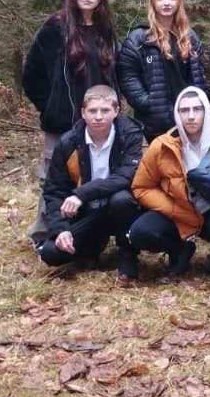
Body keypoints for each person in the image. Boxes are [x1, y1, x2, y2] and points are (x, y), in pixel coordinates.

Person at [22, 0, 120, 245]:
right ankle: (43, 232)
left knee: (91, 174)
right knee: (52, 177)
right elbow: (31, 74)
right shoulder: (56, 27)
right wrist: (50, 106)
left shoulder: (105, 30)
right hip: (62, 119)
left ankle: (85, 234)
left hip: (97, 118)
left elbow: (113, 73)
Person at [128, 88, 210, 277]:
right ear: (177, 114)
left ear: (206, 112)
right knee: (141, 232)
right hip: (178, 213)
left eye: (197, 109)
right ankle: (179, 249)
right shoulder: (162, 146)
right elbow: (142, 187)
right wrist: (174, 209)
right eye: (184, 110)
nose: (191, 116)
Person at [37, 85, 144, 280]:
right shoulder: (68, 142)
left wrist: (81, 194)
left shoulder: (130, 134)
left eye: (105, 110)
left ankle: (128, 255)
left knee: (121, 200)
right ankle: (91, 249)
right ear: (83, 113)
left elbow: (126, 176)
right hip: (87, 212)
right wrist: (60, 229)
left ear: (116, 111)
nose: (98, 117)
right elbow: (54, 191)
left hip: (122, 208)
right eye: (93, 111)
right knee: (51, 253)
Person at [117, 0, 208, 141]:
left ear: (178, 1)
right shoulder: (139, 39)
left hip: (189, 118)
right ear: (153, 1)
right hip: (156, 123)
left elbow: (199, 75)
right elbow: (128, 77)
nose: (166, 3)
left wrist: (199, 104)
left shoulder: (189, 37)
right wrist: (148, 103)